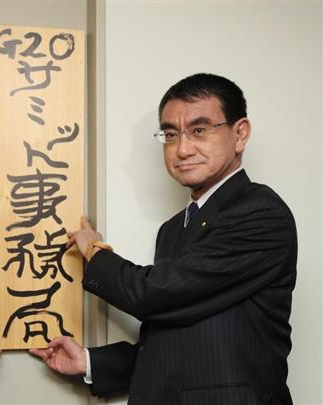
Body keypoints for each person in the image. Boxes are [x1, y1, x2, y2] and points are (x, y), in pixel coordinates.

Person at [31, 73, 297, 404]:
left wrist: (95, 250)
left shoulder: (261, 212)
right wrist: (90, 362)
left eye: (199, 130)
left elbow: (154, 294)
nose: (182, 149)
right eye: (171, 134)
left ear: (240, 133)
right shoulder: (173, 229)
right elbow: (174, 336)